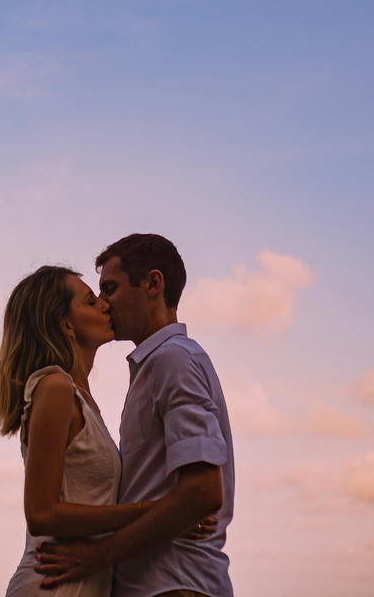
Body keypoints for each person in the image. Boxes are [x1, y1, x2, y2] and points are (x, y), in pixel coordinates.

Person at [0, 265, 217, 597]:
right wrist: (155, 511)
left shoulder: (82, 399)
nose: (105, 304)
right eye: (90, 301)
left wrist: (162, 521)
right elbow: (41, 514)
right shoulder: (55, 387)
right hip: (54, 583)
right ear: (66, 324)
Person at [34, 234, 235, 597]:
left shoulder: (173, 360)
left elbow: (203, 492)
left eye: (110, 288)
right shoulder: (155, 366)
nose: (104, 303)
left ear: (153, 284)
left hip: (174, 584)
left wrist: (98, 556)